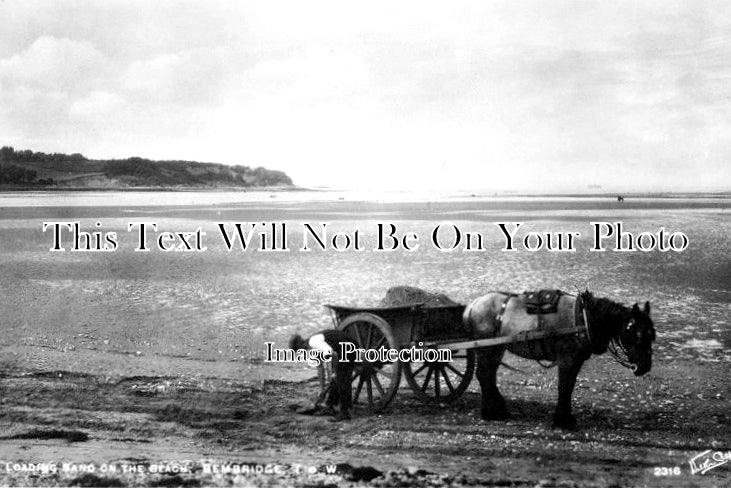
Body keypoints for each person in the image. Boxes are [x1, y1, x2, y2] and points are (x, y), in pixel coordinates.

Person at [289, 329, 355, 421]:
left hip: (348, 347)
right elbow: (320, 369)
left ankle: (345, 413)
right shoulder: (313, 349)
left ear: (301, 344)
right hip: (340, 351)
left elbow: (333, 354)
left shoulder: (314, 342)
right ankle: (330, 405)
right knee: (336, 378)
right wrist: (321, 389)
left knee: (341, 378)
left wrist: (334, 373)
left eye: (300, 350)